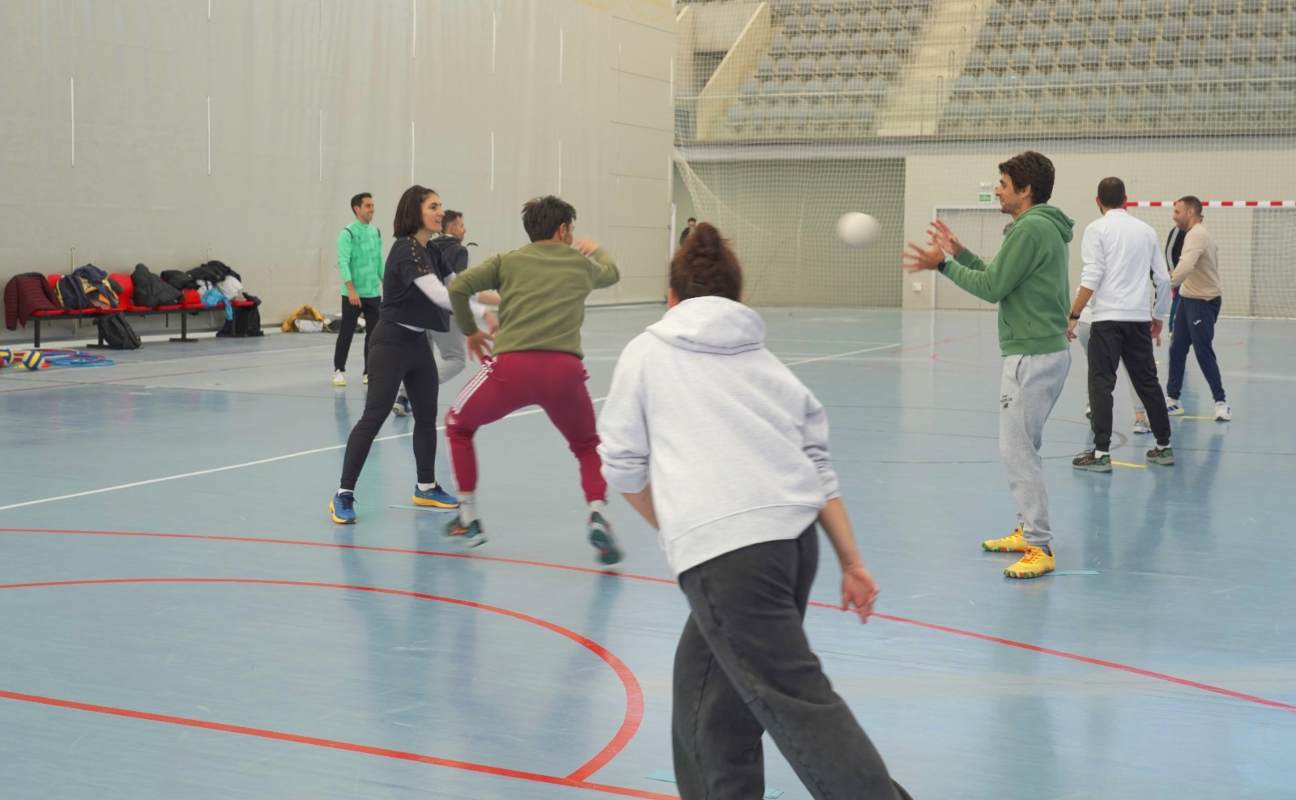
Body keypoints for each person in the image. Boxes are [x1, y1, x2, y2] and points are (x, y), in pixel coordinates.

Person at [598, 223, 908, 800]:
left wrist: (678, 525)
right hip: (794, 545)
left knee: (797, 704)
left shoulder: (646, 352)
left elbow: (621, 466)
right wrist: (852, 560)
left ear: (671, 299)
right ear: (737, 300)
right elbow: (816, 463)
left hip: (730, 557)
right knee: (704, 694)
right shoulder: (764, 362)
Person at [902, 151, 1071, 580]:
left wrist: (943, 264)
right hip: (1039, 350)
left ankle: (1038, 545)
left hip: (1031, 354)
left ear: (1025, 189)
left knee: (1016, 451)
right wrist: (961, 254)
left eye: (1003, 183)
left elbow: (993, 287)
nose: (997, 189)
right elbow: (1001, 275)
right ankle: (1027, 529)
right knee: (1021, 448)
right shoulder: (1039, 227)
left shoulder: (1030, 229)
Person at [442, 196, 622, 563]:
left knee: (457, 425)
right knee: (587, 446)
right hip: (565, 372)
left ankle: (469, 516)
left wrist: (471, 332)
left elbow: (458, 287)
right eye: (571, 229)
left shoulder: (508, 260)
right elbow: (613, 273)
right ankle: (598, 512)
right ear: (562, 229)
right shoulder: (581, 265)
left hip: (513, 369)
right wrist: (598, 250)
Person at [329, 185, 460, 525]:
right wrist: (486, 309)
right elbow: (441, 295)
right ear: (415, 212)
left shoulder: (431, 250)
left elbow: (458, 284)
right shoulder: (406, 250)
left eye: (441, 206)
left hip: (419, 344)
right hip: (390, 343)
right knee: (374, 417)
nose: (440, 212)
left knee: (427, 415)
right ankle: (343, 493)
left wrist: (493, 295)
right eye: (434, 206)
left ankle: (426, 486)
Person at [1066, 177, 1175, 472]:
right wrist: (1158, 316)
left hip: (1107, 320)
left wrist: (1074, 314)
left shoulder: (1096, 229)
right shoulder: (1146, 231)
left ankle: (1101, 454)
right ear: (1126, 199)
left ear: (1097, 201)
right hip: (1138, 319)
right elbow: (1164, 280)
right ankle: (1164, 447)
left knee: (1102, 384)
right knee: (1147, 382)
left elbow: (1092, 274)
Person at [392, 210, 500, 417]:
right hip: (446, 314)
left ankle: (403, 397)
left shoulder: (427, 247)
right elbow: (459, 287)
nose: (465, 229)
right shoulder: (459, 251)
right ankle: (414, 391)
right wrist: (497, 302)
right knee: (456, 359)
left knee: (424, 359)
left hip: (422, 314)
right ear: (451, 227)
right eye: (461, 225)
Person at [1165, 195, 1232, 421]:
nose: (1174, 217)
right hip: (1187, 298)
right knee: (1177, 349)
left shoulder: (1196, 235)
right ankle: (1173, 399)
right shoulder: (1194, 234)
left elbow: (1184, 268)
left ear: (1190, 213)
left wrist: (1165, 283)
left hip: (1203, 302)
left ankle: (1221, 402)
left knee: (1203, 352)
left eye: (1177, 212)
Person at [333, 192, 383, 387]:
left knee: (374, 335)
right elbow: (343, 262)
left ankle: (368, 371)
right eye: (368, 206)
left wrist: (387, 282)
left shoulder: (376, 232)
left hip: (373, 293)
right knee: (346, 332)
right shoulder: (347, 233)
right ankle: (338, 370)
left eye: (372, 205)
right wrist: (351, 289)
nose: (372, 209)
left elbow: (379, 261)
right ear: (357, 208)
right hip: (352, 294)